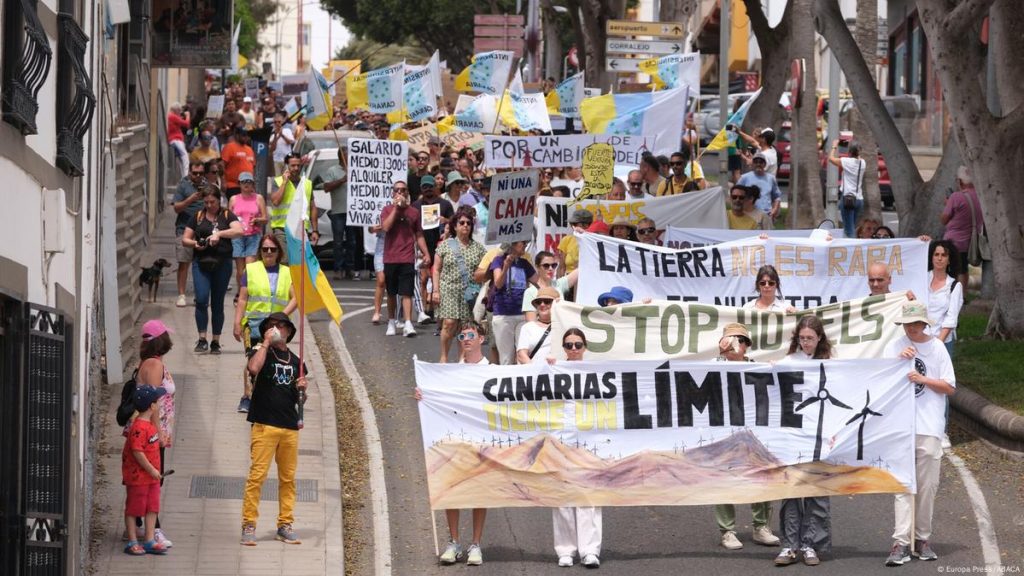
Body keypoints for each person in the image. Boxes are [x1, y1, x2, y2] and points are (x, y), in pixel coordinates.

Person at [883, 302, 956, 566]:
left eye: (915, 323)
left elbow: (949, 386)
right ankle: (901, 541)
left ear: (924, 324)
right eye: (907, 323)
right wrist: (898, 362)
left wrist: (923, 380)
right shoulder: (896, 346)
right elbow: (881, 383)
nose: (911, 328)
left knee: (927, 487)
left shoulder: (937, 348)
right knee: (902, 485)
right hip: (902, 427)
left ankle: (922, 537)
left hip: (928, 427)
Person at [413, 322, 489, 565]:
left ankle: (476, 544)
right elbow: (437, 396)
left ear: (481, 339)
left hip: (481, 439)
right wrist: (423, 395)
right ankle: (454, 542)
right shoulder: (450, 372)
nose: (465, 339)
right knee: (452, 490)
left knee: (479, 493)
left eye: (470, 335)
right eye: (462, 336)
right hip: (454, 438)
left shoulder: (493, 370)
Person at [241, 313, 308, 547]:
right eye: (272, 326)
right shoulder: (262, 352)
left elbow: (300, 399)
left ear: (289, 332)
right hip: (264, 424)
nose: (277, 329)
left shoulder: (297, 361)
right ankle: (249, 524)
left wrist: (302, 389)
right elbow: (253, 368)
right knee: (257, 477)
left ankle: (285, 524)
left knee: (288, 479)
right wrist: (265, 343)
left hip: (289, 426)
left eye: (281, 326)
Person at [712, 322, 781, 550]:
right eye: (732, 340)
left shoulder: (756, 366)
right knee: (724, 479)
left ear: (747, 345)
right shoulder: (712, 366)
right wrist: (722, 355)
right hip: (724, 430)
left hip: (753, 430)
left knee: (760, 475)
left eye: (740, 340)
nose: (736, 344)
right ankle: (727, 530)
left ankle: (761, 526)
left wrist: (774, 368)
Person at [773, 315, 833, 566]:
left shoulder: (831, 364)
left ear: (819, 338)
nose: (806, 342)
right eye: (802, 338)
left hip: (818, 435)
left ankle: (810, 544)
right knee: (790, 490)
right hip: (792, 435)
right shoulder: (789, 361)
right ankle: (789, 545)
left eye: (810, 338)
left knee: (816, 491)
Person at [547, 328, 603, 568]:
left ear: (585, 347)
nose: (573, 349)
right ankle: (565, 549)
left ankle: (590, 550)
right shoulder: (553, 369)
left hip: (588, 442)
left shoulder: (597, 372)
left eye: (577, 345)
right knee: (562, 496)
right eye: (568, 345)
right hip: (559, 440)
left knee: (589, 495)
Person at [126, 320, 176, 550]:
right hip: (151, 431)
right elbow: (152, 402)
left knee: (147, 478)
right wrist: (159, 433)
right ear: (161, 341)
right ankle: (152, 530)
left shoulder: (146, 362)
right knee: (153, 478)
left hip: (149, 429)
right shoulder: (155, 366)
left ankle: (143, 525)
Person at [233, 234, 297, 412]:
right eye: (265, 249)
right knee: (253, 360)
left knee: (272, 360)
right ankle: (247, 397)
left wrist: (280, 316)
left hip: (278, 327)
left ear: (279, 252)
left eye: (273, 249)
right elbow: (243, 299)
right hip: (254, 326)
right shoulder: (251, 270)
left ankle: (266, 395)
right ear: (260, 251)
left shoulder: (287, 272)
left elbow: (296, 298)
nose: (269, 252)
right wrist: (237, 323)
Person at [181, 186, 244, 354]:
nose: (209, 205)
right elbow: (185, 239)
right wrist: (196, 244)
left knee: (217, 303)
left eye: (213, 202)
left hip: (222, 264)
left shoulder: (226, 215)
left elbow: (239, 230)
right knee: (201, 300)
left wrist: (220, 234)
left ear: (219, 200)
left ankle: (216, 340)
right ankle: (202, 338)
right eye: (206, 202)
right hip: (201, 263)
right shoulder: (198, 217)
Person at [430, 206, 485, 363]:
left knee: (465, 328)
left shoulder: (479, 248)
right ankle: (444, 356)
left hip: (469, 293)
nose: (465, 225)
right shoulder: (446, 245)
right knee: (449, 323)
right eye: (462, 222)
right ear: (455, 226)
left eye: (468, 223)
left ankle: (462, 359)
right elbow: (436, 269)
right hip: (449, 290)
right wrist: (435, 290)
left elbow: (482, 272)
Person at [122, 383, 169, 556]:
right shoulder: (139, 428)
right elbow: (137, 452)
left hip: (152, 477)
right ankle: (132, 540)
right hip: (139, 477)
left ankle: (149, 539)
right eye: (157, 401)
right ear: (152, 406)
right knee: (134, 508)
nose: (159, 404)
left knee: (152, 507)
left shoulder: (149, 426)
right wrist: (150, 470)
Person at [380, 181, 431, 337]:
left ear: (408, 193)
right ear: (392, 193)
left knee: (407, 292)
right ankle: (391, 321)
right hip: (390, 257)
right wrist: (397, 208)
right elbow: (386, 227)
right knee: (391, 293)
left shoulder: (414, 212)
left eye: (403, 190)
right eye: (397, 190)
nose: (400, 193)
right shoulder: (387, 210)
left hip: (407, 257)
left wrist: (426, 252)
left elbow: (419, 234)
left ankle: (408, 323)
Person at [415, 175, 455, 323]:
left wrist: (447, 220)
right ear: (421, 188)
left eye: (430, 186)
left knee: (438, 278)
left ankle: (436, 308)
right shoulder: (416, 205)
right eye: (425, 187)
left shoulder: (445, 204)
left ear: (436, 187)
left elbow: (455, 221)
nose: (428, 190)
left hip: (440, 245)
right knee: (424, 278)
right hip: (422, 246)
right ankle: (426, 309)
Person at [491, 241, 538, 364]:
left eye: (526, 242)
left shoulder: (525, 263)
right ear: (513, 244)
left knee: (523, 354)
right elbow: (498, 284)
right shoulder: (498, 260)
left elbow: (539, 283)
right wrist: (506, 266)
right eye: (522, 243)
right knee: (506, 358)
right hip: (503, 314)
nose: (525, 245)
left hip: (522, 314)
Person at [268, 152, 318, 265]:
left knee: (298, 264)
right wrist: (285, 182)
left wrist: (315, 230)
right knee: (284, 262)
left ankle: (294, 284)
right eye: (293, 165)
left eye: (298, 165)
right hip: (282, 229)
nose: (296, 168)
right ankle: (285, 283)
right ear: (286, 166)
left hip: (300, 230)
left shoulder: (307, 183)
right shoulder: (278, 181)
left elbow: (313, 207)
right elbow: (275, 201)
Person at [171, 160, 208, 307]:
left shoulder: (208, 186)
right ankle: (181, 294)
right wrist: (189, 200)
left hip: (203, 230)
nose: (198, 176)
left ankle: (200, 293)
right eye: (195, 173)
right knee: (184, 263)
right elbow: (176, 208)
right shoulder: (183, 186)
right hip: (184, 229)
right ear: (189, 172)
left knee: (202, 264)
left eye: (200, 173)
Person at [228, 172, 268, 303]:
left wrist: (257, 220)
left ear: (253, 184)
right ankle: (241, 292)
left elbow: (265, 218)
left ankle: (248, 293)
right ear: (239, 184)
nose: (247, 185)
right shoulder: (234, 199)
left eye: (249, 182)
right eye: (244, 182)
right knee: (240, 270)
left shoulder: (258, 198)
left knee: (249, 267)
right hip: (238, 236)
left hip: (253, 235)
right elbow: (228, 218)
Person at [941, 166, 983, 288]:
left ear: (959, 181)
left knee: (951, 270)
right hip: (971, 242)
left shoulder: (956, 197)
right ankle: (962, 296)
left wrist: (947, 204)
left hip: (953, 241)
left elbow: (944, 219)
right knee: (963, 269)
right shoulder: (980, 196)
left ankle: (952, 295)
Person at [324, 148, 358, 280]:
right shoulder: (332, 170)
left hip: (352, 212)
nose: (347, 158)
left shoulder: (355, 169)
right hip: (338, 211)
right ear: (340, 157)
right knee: (338, 242)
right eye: (345, 155)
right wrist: (342, 180)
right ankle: (338, 268)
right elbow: (326, 188)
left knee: (352, 242)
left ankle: (350, 268)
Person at [926, 240, 963, 358]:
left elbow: (951, 319)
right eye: (936, 254)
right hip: (918, 339)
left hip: (942, 342)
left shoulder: (955, 286)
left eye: (944, 255)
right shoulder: (922, 279)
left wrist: (938, 344)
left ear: (949, 260)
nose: (939, 258)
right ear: (931, 257)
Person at [522, 251, 578, 322]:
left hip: (559, 329)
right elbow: (531, 322)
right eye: (546, 265)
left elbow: (581, 270)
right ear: (537, 267)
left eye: (554, 265)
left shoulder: (559, 284)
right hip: (542, 331)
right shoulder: (530, 292)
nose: (551, 268)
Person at [829, 140, 865, 238]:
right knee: (851, 227)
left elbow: (831, 159)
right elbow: (858, 155)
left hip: (847, 200)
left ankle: (851, 250)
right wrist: (853, 146)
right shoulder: (862, 163)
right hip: (859, 200)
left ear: (849, 152)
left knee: (849, 231)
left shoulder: (846, 161)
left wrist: (834, 146)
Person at [516, 286, 558, 364]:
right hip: (536, 373)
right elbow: (521, 355)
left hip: (559, 373)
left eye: (547, 301)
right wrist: (535, 371)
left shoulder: (563, 327)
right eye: (539, 302)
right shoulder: (527, 327)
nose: (542, 304)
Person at [737, 153, 782, 222]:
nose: (758, 164)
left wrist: (774, 210)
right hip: (749, 214)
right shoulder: (744, 178)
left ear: (765, 164)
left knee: (766, 233)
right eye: (756, 162)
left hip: (767, 214)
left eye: (761, 162)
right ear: (752, 163)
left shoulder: (771, 178)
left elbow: (777, 197)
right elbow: (736, 194)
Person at [221, 128, 256, 201]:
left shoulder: (249, 149)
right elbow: (222, 165)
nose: (246, 137)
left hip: (248, 186)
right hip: (233, 185)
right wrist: (223, 181)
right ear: (237, 135)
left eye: (247, 135)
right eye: (243, 135)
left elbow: (253, 167)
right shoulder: (230, 147)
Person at [557, 210, 593, 275]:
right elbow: (561, 267)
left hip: (588, 278)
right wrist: (559, 284)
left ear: (586, 225)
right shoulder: (566, 240)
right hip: (570, 280)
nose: (572, 226)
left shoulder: (593, 241)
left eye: (575, 223)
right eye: (571, 224)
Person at [167, 102, 191, 178]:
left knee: (181, 159)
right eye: (179, 111)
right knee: (185, 157)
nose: (180, 112)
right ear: (176, 110)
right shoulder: (172, 116)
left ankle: (183, 176)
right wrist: (188, 116)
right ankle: (186, 176)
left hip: (175, 140)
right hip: (176, 139)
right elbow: (186, 124)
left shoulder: (171, 116)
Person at [269, 111, 296, 176]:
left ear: (282, 121)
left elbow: (291, 142)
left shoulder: (287, 131)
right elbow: (272, 149)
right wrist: (276, 136)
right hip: (277, 160)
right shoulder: (272, 133)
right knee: (278, 179)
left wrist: (282, 135)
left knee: (288, 177)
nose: (277, 123)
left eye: (279, 122)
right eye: (275, 122)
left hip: (287, 160)